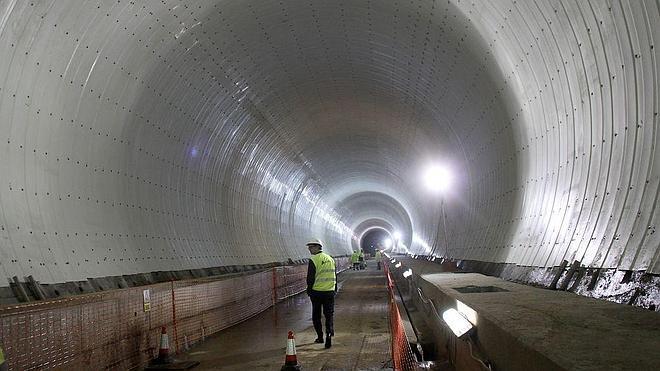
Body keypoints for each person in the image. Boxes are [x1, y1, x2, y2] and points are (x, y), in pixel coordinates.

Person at [306, 239, 337, 349]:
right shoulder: (330, 259)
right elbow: (334, 275)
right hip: (329, 292)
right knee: (329, 315)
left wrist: (309, 290)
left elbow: (310, 278)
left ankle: (320, 337)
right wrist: (335, 289)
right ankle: (329, 334)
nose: (309, 249)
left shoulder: (313, 259)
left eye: (310, 247)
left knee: (316, 315)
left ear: (317, 247)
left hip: (317, 292)